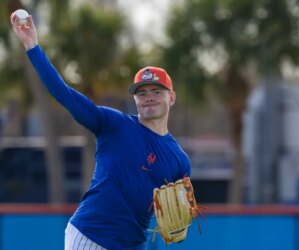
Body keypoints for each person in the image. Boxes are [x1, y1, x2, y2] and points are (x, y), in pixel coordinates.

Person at [10, 11, 191, 250]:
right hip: (90, 236)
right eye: (142, 93)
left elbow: (177, 217)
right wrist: (32, 45)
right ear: (135, 99)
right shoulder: (114, 124)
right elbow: (65, 95)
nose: (149, 98)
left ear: (172, 98)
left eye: (157, 92)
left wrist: (183, 220)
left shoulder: (179, 159)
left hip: (133, 245)